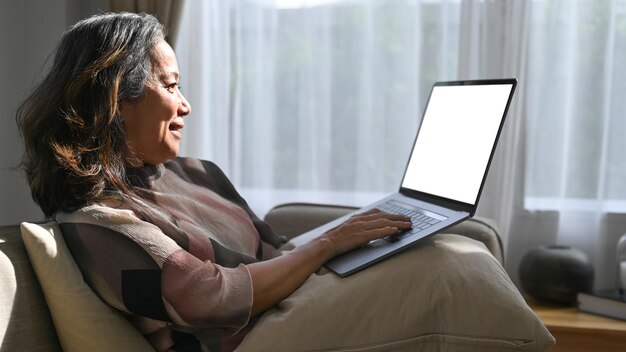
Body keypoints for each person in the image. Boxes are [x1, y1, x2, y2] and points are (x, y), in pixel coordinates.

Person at [16, 12, 411, 351]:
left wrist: (351, 241)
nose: (185, 104)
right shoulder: (97, 220)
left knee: (445, 245)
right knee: (443, 271)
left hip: (301, 301)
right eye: (170, 86)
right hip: (256, 336)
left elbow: (276, 248)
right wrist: (330, 243)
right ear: (118, 103)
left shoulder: (196, 172)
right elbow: (211, 298)